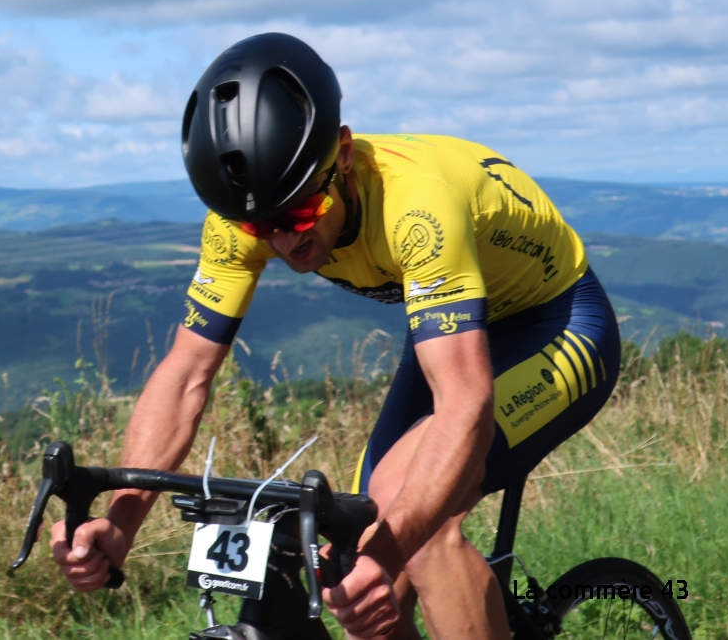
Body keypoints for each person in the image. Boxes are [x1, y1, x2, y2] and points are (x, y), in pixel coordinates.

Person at [50, 33, 620, 640]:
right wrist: (122, 521)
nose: (281, 242)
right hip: (452, 325)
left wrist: (394, 553)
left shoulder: (418, 210)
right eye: (257, 225)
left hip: (554, 323)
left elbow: (466, 403)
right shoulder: (247, 218)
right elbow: (187, 374)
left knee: (419, 538)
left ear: (343, 155)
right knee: (356, 557)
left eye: (297, 215)